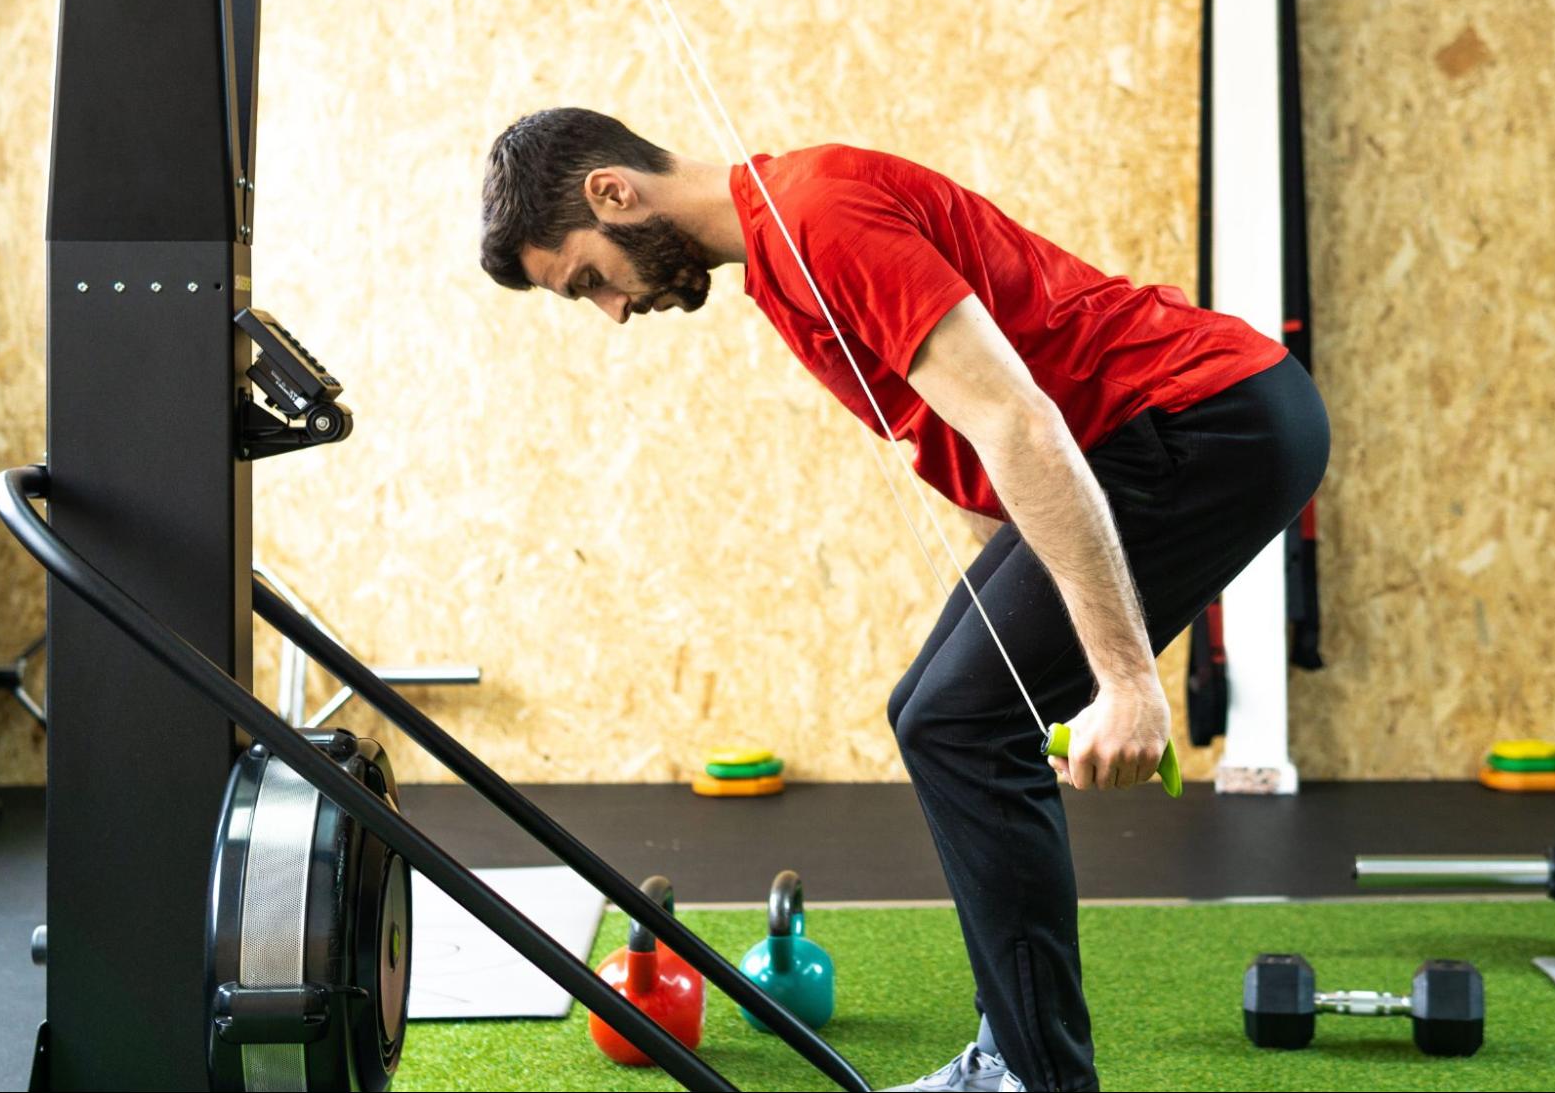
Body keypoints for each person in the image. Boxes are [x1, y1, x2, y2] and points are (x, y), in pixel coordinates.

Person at [479, 108, 1329, 1091]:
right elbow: (974, 450)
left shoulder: (819, 218)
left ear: (613, 193)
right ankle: (1010, 1052)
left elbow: (1018, 418)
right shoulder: (781, 267)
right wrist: (1023, 621)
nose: (613, 311)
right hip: (1159, 433)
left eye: (588, 278)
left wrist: (1126, 679)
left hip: (1203, 419)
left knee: (964, 720)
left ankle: (1037, 1076)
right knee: (936, 710)